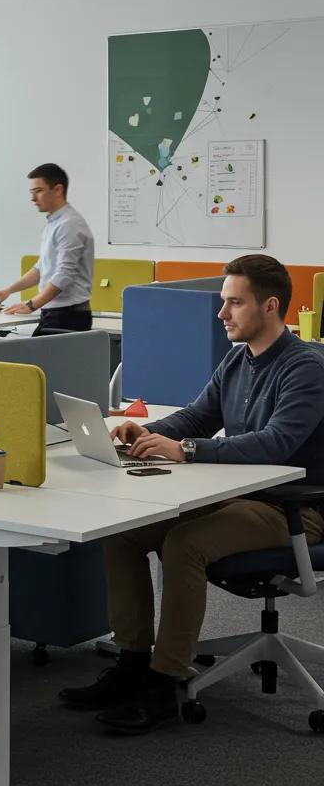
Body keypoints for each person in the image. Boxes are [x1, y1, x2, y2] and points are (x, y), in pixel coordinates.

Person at [60, 254, 324, 734]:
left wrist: (183, 449)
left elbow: (277, 442)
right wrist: (141, 432)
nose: (221, 314)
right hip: (239, 496)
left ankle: (164, 682)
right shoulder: (237, 360)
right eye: (223, 302)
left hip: (293, 508)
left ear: (270, 307)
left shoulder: (305, 368)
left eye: (234, 303)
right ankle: (133, 663)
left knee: (186, 543)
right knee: (126, 533)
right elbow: (198, 418)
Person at [0, 164, 94, 336]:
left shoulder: (69, 225)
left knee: (34, 360)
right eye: (31, 192)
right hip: (56, 314)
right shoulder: (55, 223)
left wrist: (31, 305)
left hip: (68, 317)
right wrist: (9, 290)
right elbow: (41, 268)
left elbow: (64, 276)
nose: (33, 198)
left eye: (38, 191)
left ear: (58, 189)